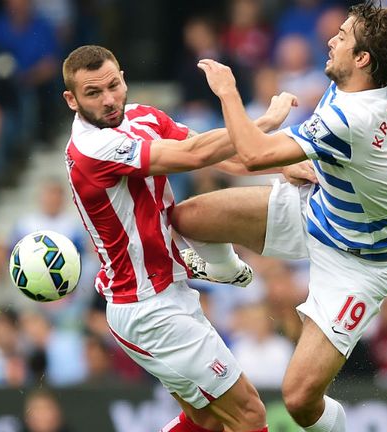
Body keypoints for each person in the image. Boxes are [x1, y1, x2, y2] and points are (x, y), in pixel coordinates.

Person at [171, 1, 387, 430]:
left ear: (363, 59)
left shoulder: (352, 115)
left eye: (344, 36)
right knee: (190, 217)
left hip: (361, 261)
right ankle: (231, 272)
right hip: (322, 205)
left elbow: (253, 154)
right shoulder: (363, 79)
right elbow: (257, 158)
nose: (331, 38)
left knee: (298, 400)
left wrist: (227, 92)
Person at [62, 45, 297, 431]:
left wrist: (284, 164)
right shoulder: (91, 149)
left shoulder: (142, 117)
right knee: (250, 413)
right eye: (93, 93)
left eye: (113, 85)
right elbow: (192, 154)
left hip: (164, 293)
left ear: (123, 76)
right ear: (71, 99)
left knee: (207, 421)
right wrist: (260, 119)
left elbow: (224, 157)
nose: (108, 100)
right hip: (146, 308)